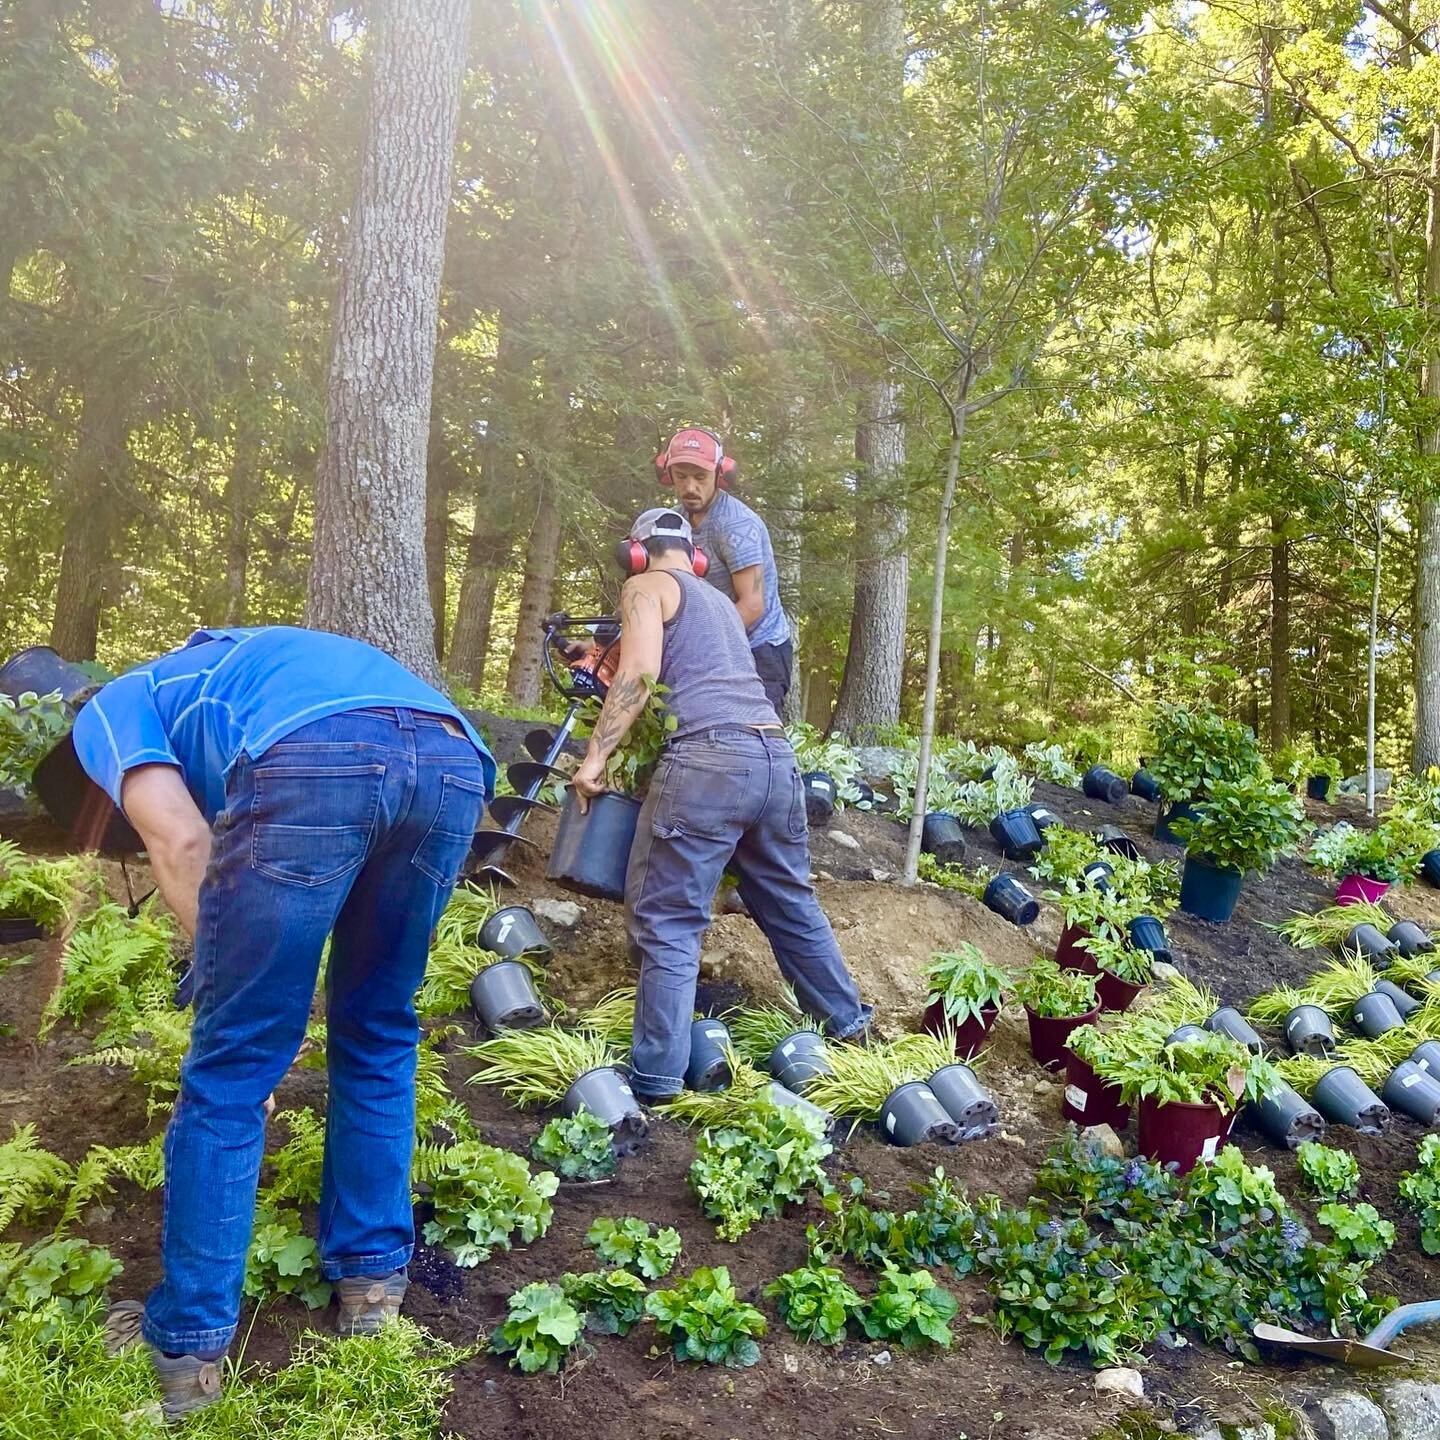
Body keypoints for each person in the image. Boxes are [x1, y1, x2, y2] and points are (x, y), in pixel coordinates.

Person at [23, 625, 495, 1420]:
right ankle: (372, 1289)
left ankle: (187, 1350)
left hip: (315, 758)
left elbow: (180, 837)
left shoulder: (108, 709)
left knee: (230, 1074)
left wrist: (228, 1005)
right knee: (378, 1029)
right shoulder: (230, 669)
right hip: (450, 757)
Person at [571, 509, 869, 1101]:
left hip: (709, 763)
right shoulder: (718, 606)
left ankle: (656, 1075)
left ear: (635, 551)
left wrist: (594, 761)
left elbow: (639, 674)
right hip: (776, 761)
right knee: (789, 903)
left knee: (669, 918)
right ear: (695, 556)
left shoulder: (642, 586)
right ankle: (852, 1027)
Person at [657, 426, 795, 713]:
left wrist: (697, 645)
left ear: (720, 475)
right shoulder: (674, 521)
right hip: (713, 648)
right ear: (668, 475)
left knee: (758, 741)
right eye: (681, 477)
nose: (690, 487)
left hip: (760, 650)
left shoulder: (735, 525)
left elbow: (752, 605)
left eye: (700, 477)